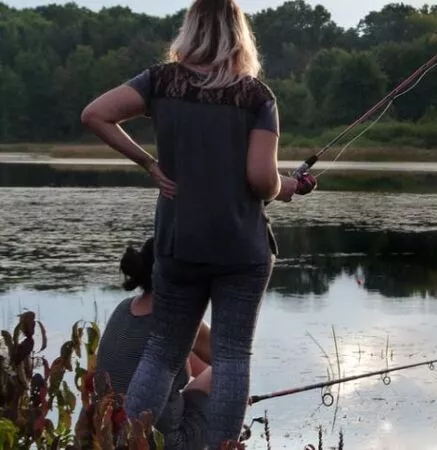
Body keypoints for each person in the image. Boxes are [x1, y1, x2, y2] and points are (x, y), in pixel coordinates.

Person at [80, 0, 317, 447]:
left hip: (177, 244)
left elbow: (94, 114)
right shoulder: (257, 97)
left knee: (163, 353)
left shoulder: (159, 82)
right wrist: (291, 186)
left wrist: (146, 162)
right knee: (230, 358)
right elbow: (260, 181)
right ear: (238, 34)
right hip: (241, 249)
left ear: (190, 30)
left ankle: (132, 442)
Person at [95, 238, 214, 448]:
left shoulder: (124, 308)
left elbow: (179, 358)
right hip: (167, 443)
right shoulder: (178, 315)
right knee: (231, 370)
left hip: (114, 436)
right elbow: (226, 356)